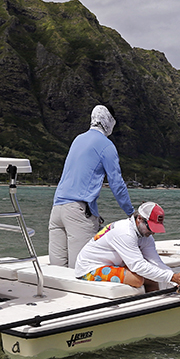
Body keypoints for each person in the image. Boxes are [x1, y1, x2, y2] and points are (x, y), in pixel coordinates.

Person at [48, 105, 135, 267]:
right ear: (109, 122)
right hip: (78, 212)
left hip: (57, 209)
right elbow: (117, 184)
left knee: (57, 270)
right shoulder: (106, 146)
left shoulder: (78, 139)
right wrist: (131, 213)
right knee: (81, 268)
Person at [74, 202, 180, 292]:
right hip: (89, 268)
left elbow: (156, 262)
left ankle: (152, 309)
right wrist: (172, 277)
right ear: (139, 219)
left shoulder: (146, 235)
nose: (153, 232)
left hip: (113, 264)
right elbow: (137, 266)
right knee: (137, 280)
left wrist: (178, 282)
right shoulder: (125, 233)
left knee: (154, 278)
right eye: (151, 228)